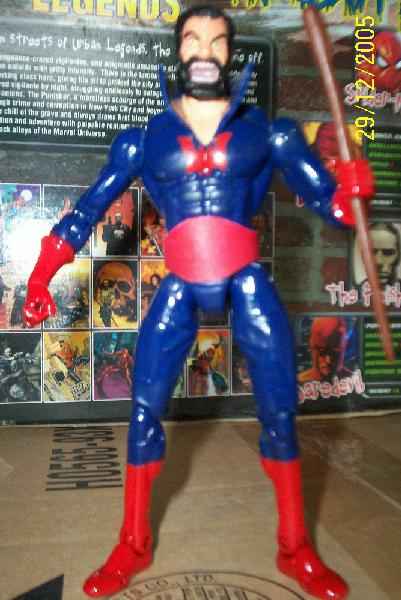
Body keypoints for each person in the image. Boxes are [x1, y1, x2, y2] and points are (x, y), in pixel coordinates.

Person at [22, 5, 374, 600]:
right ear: (179, 50)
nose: (205, 50)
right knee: (143, 411)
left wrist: (352, 193)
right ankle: (133, 543)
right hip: (181, 281)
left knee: (280, 411)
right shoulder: (146, 140)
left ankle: (296, 547)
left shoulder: (269, 133)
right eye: (193, 39)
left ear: (230, 52)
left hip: (246, 279)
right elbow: (87, 209)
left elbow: (330, 205)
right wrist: (40, 276)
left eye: (217, 40)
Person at [298, 317, 351, 384]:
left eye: (334, 352)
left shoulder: (352, 381)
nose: (328, 360)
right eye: (321, 351)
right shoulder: (299, 382)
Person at [357, 222, 401, 289]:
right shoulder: (355, 290)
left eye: (388, 253)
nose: (378, 261)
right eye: (371, 253)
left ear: (398, 256)